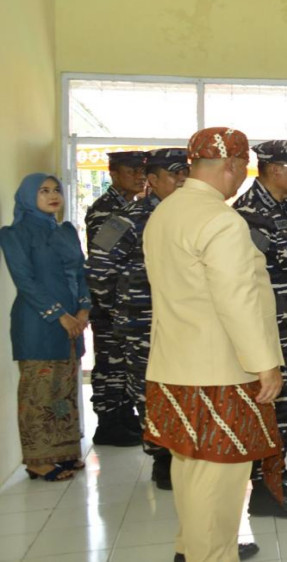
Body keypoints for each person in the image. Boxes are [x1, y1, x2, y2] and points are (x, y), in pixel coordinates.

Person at [143, 127, 281, 562]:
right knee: (219, 480)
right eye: (242, 170)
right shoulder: (220, 219)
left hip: (173, 366)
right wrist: (265, 363)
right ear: (230, 166)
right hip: (217, 372)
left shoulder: (165, 212)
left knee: (189, 467)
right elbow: (236, 297)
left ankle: (188, 549)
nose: (242, 179)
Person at [87, 148, 189, 490]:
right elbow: (98, 267)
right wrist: (120, 310)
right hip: (141, 324)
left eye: (185, 174)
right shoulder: (125, 219)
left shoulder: (191, 215)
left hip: (185, 321)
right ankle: (162, 458)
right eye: (174, 175)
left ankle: (185, 452)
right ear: (153, 179)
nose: (181, 181)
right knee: (150, 391)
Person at [233, 140, 287, 518]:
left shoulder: (286, 206)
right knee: (271, 413)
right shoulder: (249, 214)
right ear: (272, 169)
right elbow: (244, 283)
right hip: (274, 335)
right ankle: (264, 491)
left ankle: (278, 473)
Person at [0, 174, 90, 482]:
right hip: (37, 322)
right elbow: (25, 281)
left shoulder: (66, 231)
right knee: (39, 392)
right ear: (28, 196)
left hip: (73, 323)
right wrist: (59, 315)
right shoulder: (15, 234)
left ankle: (64, 453)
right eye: (43, 191)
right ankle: (38, 461)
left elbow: (80, 271)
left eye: (56, 190)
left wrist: (83, 308)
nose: (52, 196)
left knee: (63, 390)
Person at [85, 150, 146, 447]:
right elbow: (100, 263)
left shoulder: (129, 207)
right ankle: (108, 423)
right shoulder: (105, 210)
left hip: (125, 305)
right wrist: (111, 307)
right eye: (131, 171)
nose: (139, 176)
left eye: (141, 171)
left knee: (124, 366)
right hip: (110, 305)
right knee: (110, 365)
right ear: (113, 174)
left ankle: (123, 416)